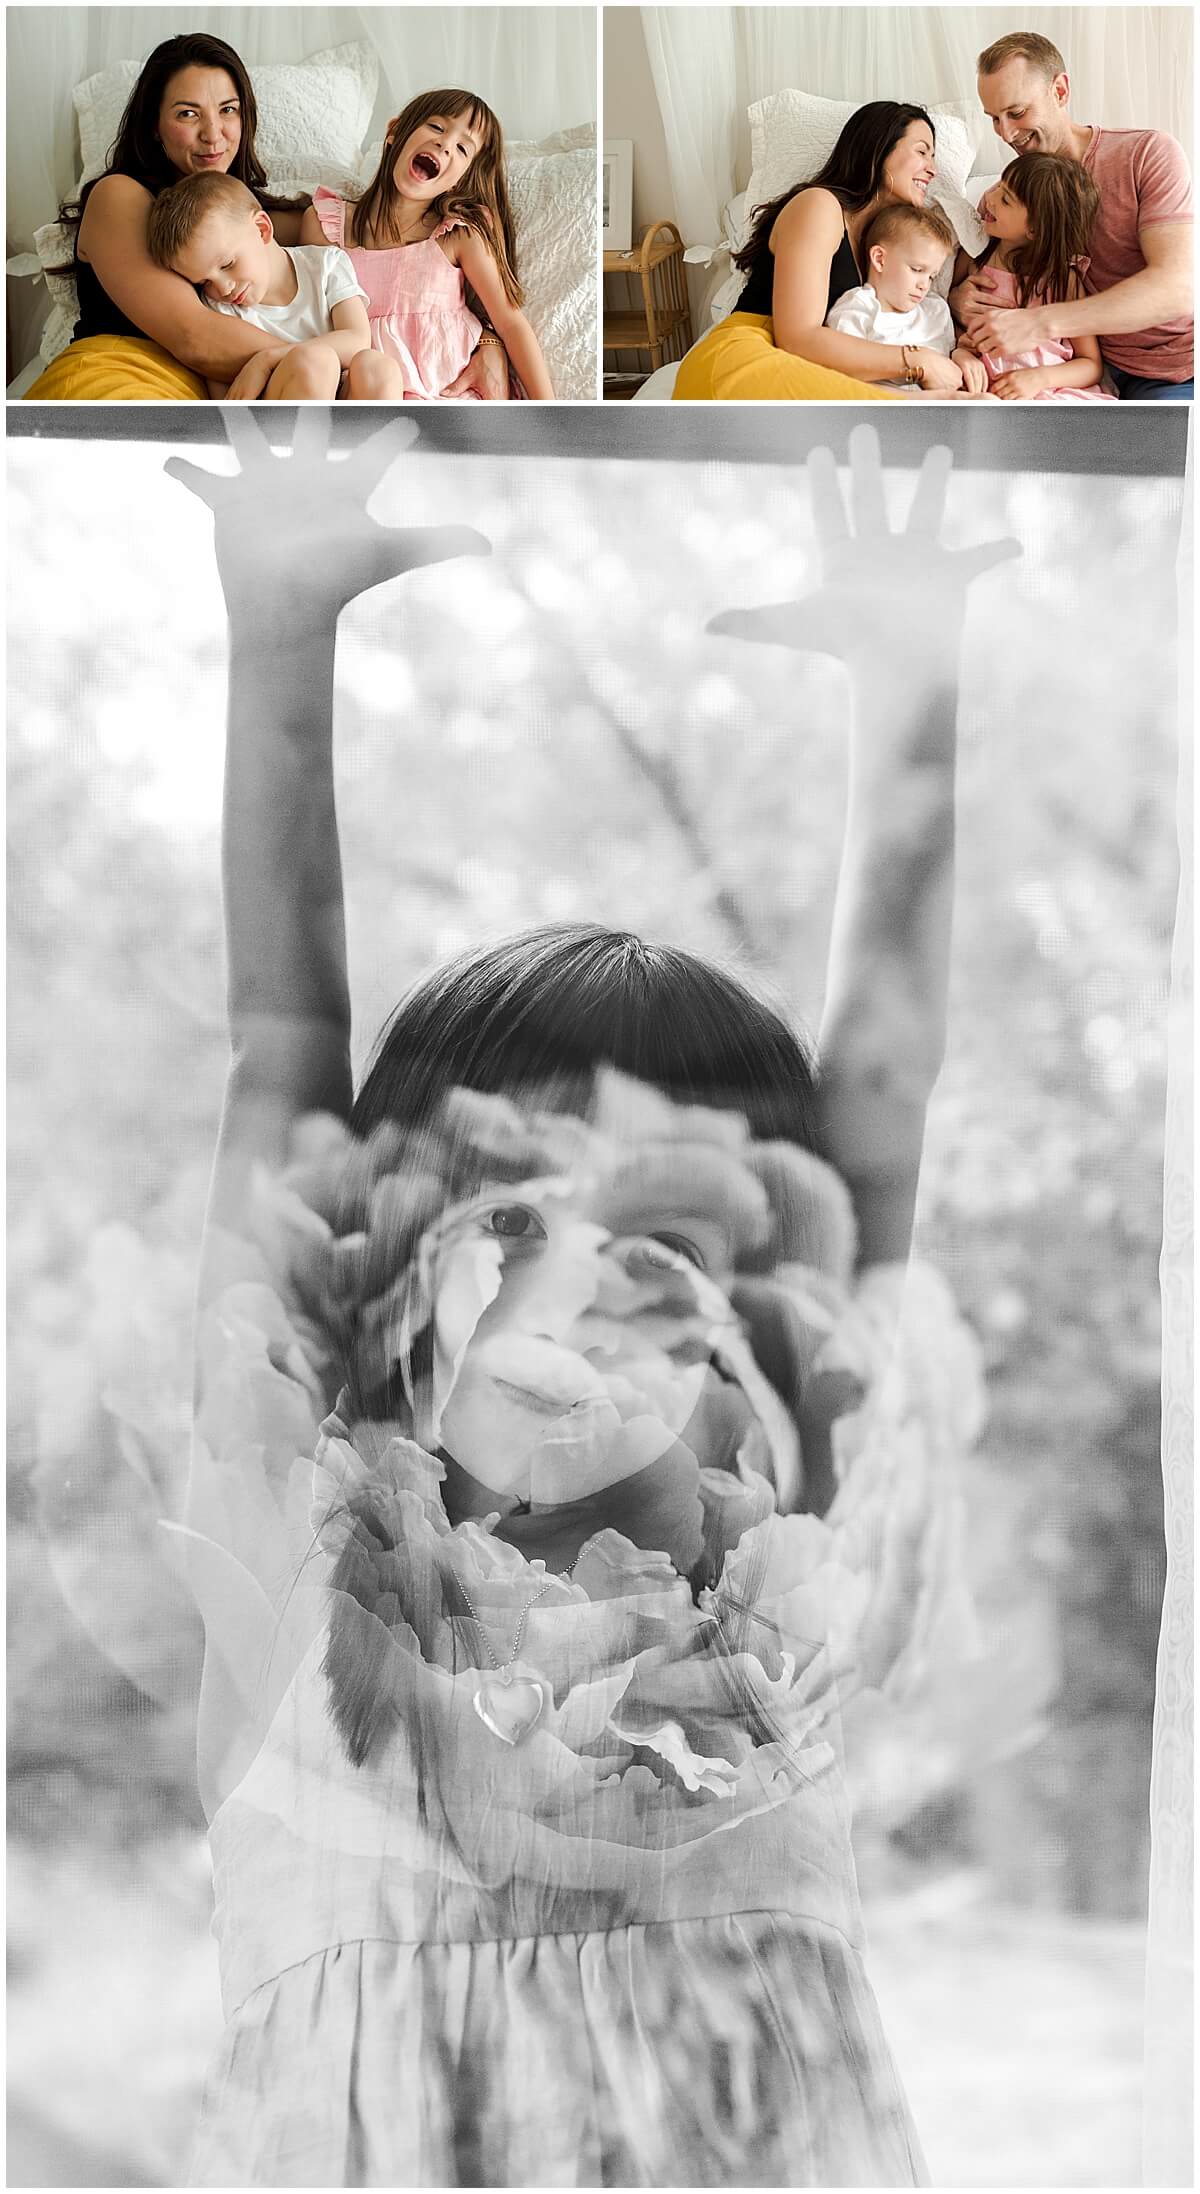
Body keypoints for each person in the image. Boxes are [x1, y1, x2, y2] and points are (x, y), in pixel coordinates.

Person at [162, 411, 1015, 2186]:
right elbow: (286, 1042)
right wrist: (280, 634)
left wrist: (915, 691)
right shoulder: (309, 1536)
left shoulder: (777, 1556)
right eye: (518, 1219)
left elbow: (883, 1085)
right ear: (400, 1255)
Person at [23, 33, 510, 404]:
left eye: (228, 110)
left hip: (236, 391)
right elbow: (194, 335)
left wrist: (485, 336)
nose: (213, 135)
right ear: (154, 125)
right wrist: (318, 361)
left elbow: (377, 250)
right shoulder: (120, 195)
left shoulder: (259, 220)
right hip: (123, 370)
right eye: (188, 114)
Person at [261, 87, 555, 402]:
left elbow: (511, 323)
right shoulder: (325, 225)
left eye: (462, 148)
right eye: (437, 127)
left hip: (449, 396)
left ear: (460, 178)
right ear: (394, 132)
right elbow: (310, 319)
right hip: (365, 398)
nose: (445, 144)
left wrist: (550, 415)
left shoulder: (456, 233)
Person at [957, 31, 1193, 401]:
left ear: (1060, 91)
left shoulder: (1147, 154)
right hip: (1076, 370)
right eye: (994, 118)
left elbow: (1178, 288)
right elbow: (969, 272)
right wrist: (960, 300)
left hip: (1171, 371)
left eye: (1017, 113)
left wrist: (1039, 323)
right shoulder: (1009, 197)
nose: (1005, 133)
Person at [674, 104, 966, 400]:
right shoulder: (819, 205)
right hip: (746, 353)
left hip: (803, 365)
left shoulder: (882, 238)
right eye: (922, 152)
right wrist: (915, 362)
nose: (933, 169)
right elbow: (798, 338)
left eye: (933, 157)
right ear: (878, 149)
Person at [146, 171, 377, 401]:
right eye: (205, 282)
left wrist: (267, 359)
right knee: (316, 360)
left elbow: (358, 340)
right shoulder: (220, 308)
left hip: (340, 405)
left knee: (377, 367)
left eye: (227, 264)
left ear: (261, 229)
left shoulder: (326, 264)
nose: (223, 288)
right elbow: (227, 400)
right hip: (277, 420)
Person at [951, 154, 1114, 401]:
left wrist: (1039, 378)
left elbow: (1091, 365)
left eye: (1005, 199)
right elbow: (942, 318)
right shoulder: (975, 259)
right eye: (998, 186)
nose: (989, 199)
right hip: (987, 390)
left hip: (1052, 390)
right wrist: (959, 350)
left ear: (1035, 229)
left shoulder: (1061, 282)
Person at [825, 202, 979, 390]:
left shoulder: (935, 309)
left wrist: (960, 354)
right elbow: (842, 375)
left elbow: (950, 358)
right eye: (916, 269)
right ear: (880, 259)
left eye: (932, 276)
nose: (924, 285)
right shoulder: (858, 308)